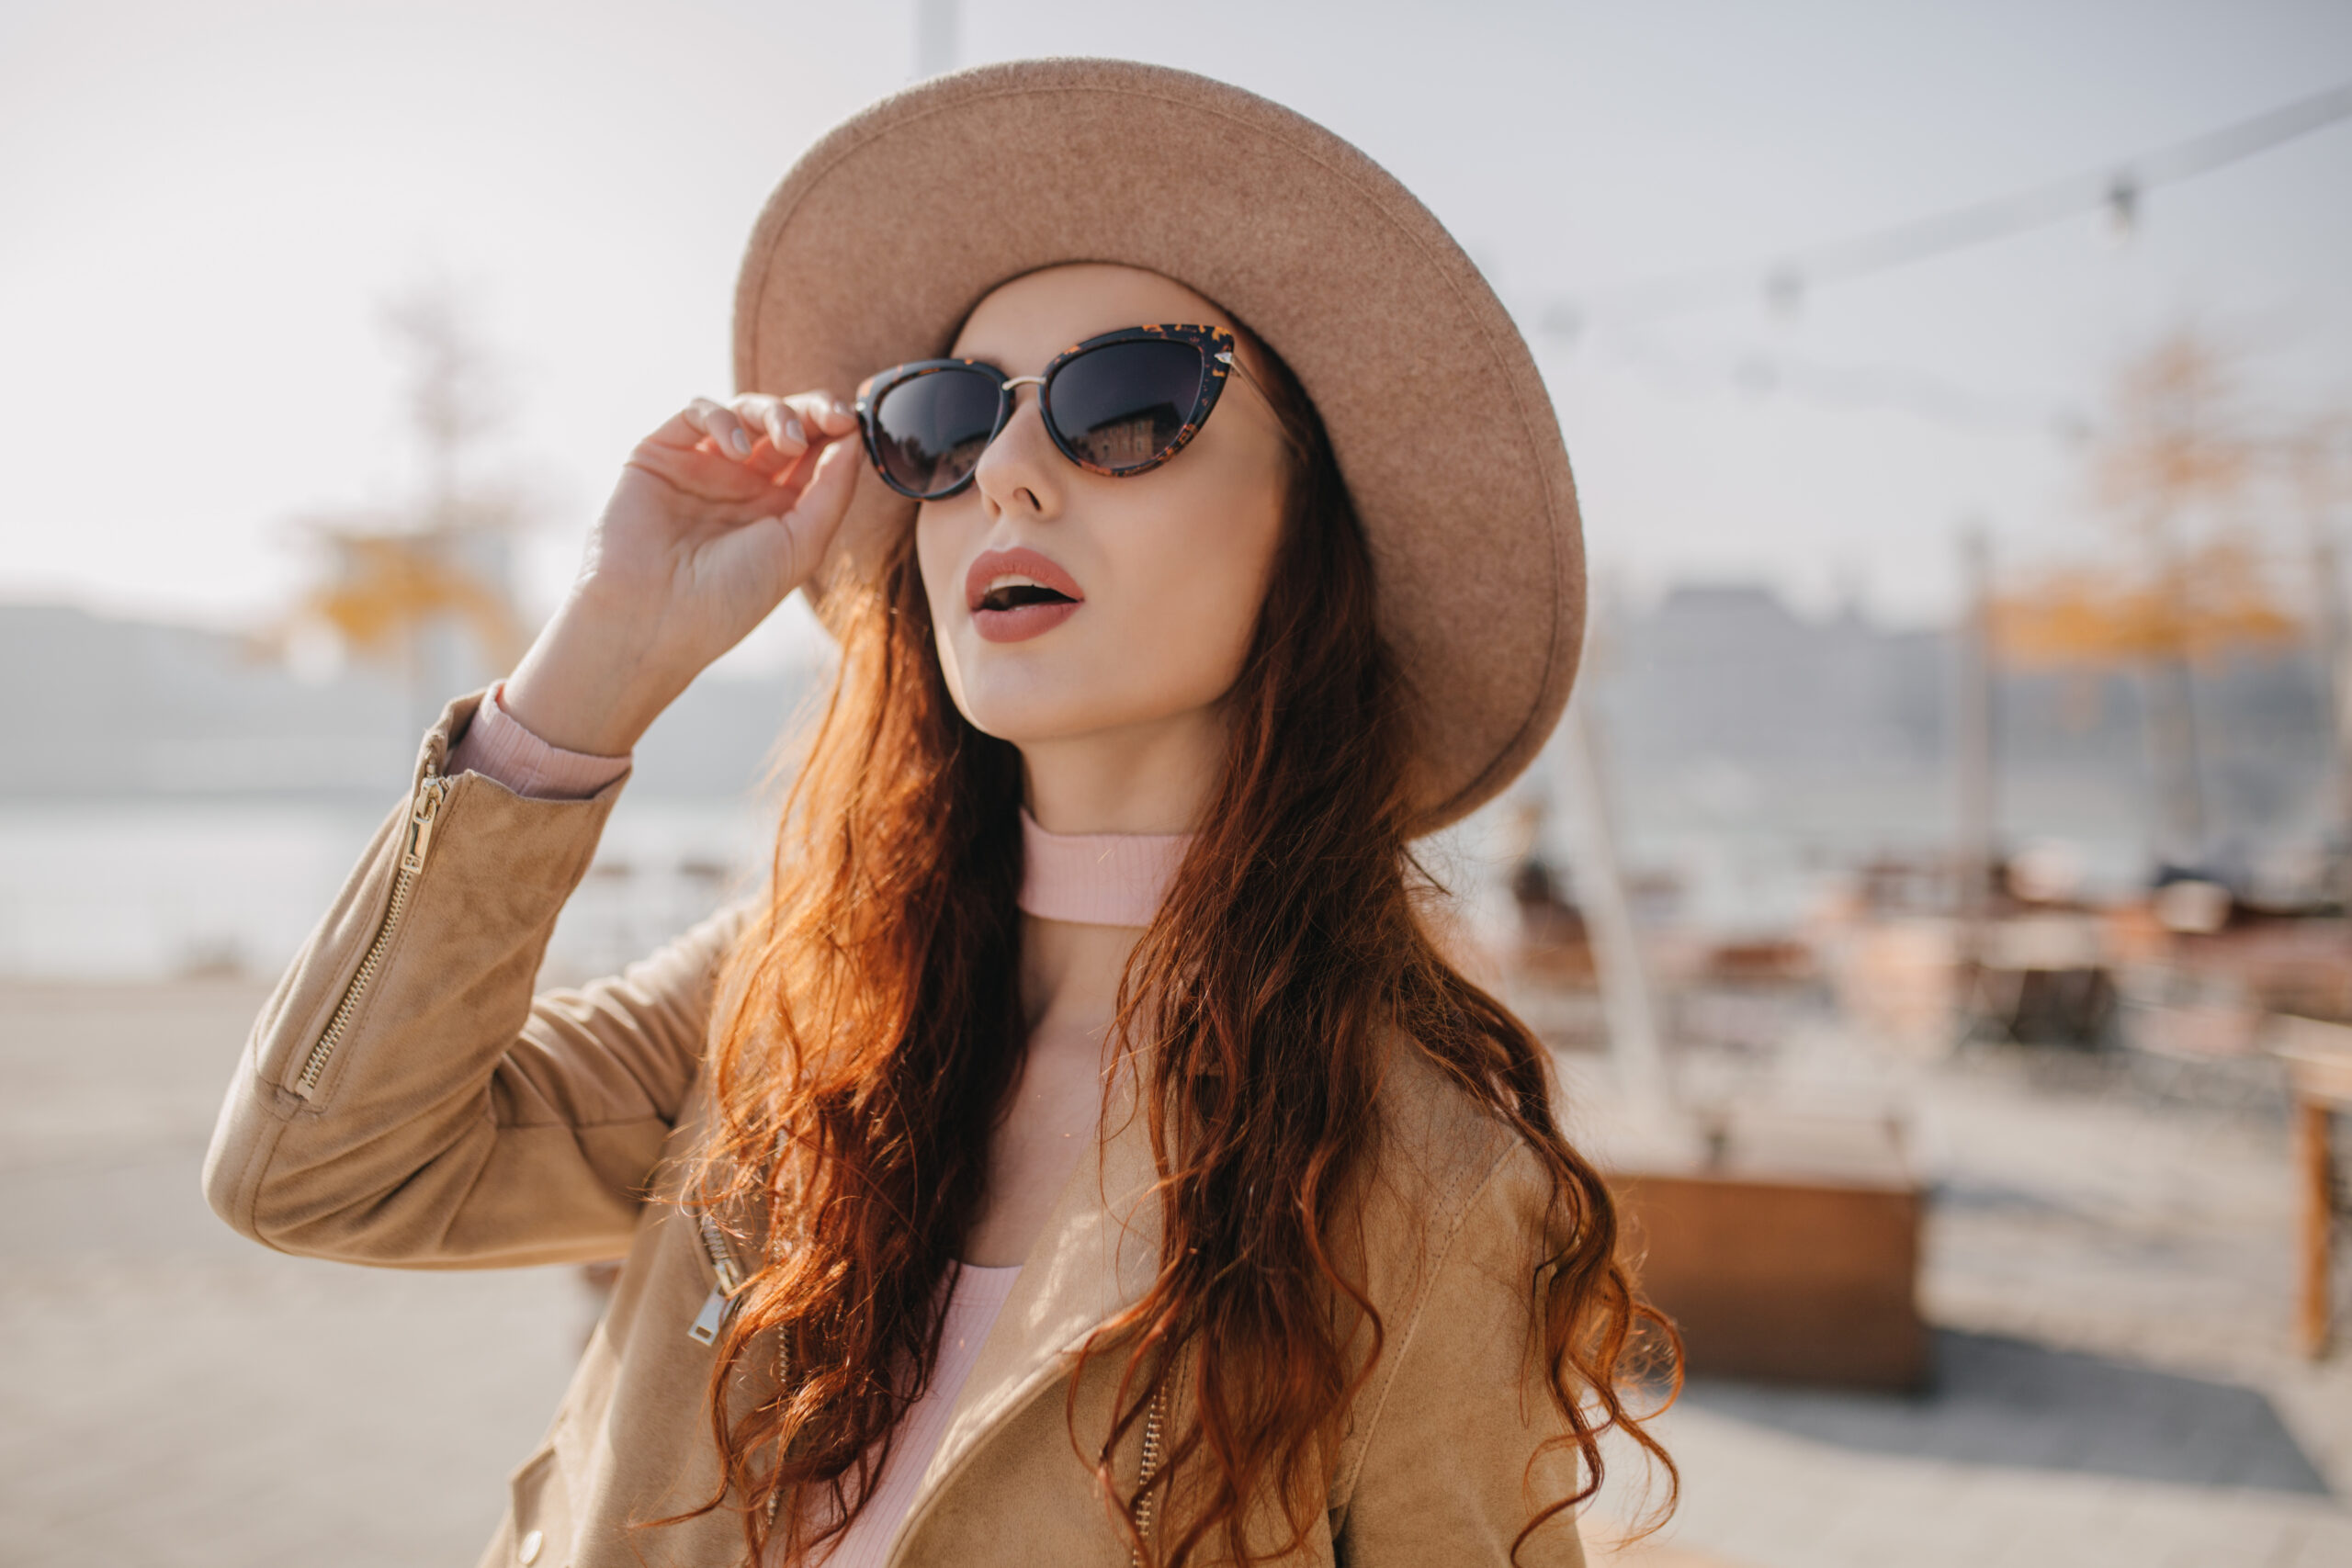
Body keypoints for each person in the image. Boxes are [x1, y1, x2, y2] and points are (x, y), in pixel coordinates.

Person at [204, 58, 1677, 1568]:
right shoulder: (780, 997)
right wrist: (599, 658)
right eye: (950, 422)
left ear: (1313, 529)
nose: (1009, 477)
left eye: (1127, 403)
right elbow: (317, 1169)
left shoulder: (1421, 1182)